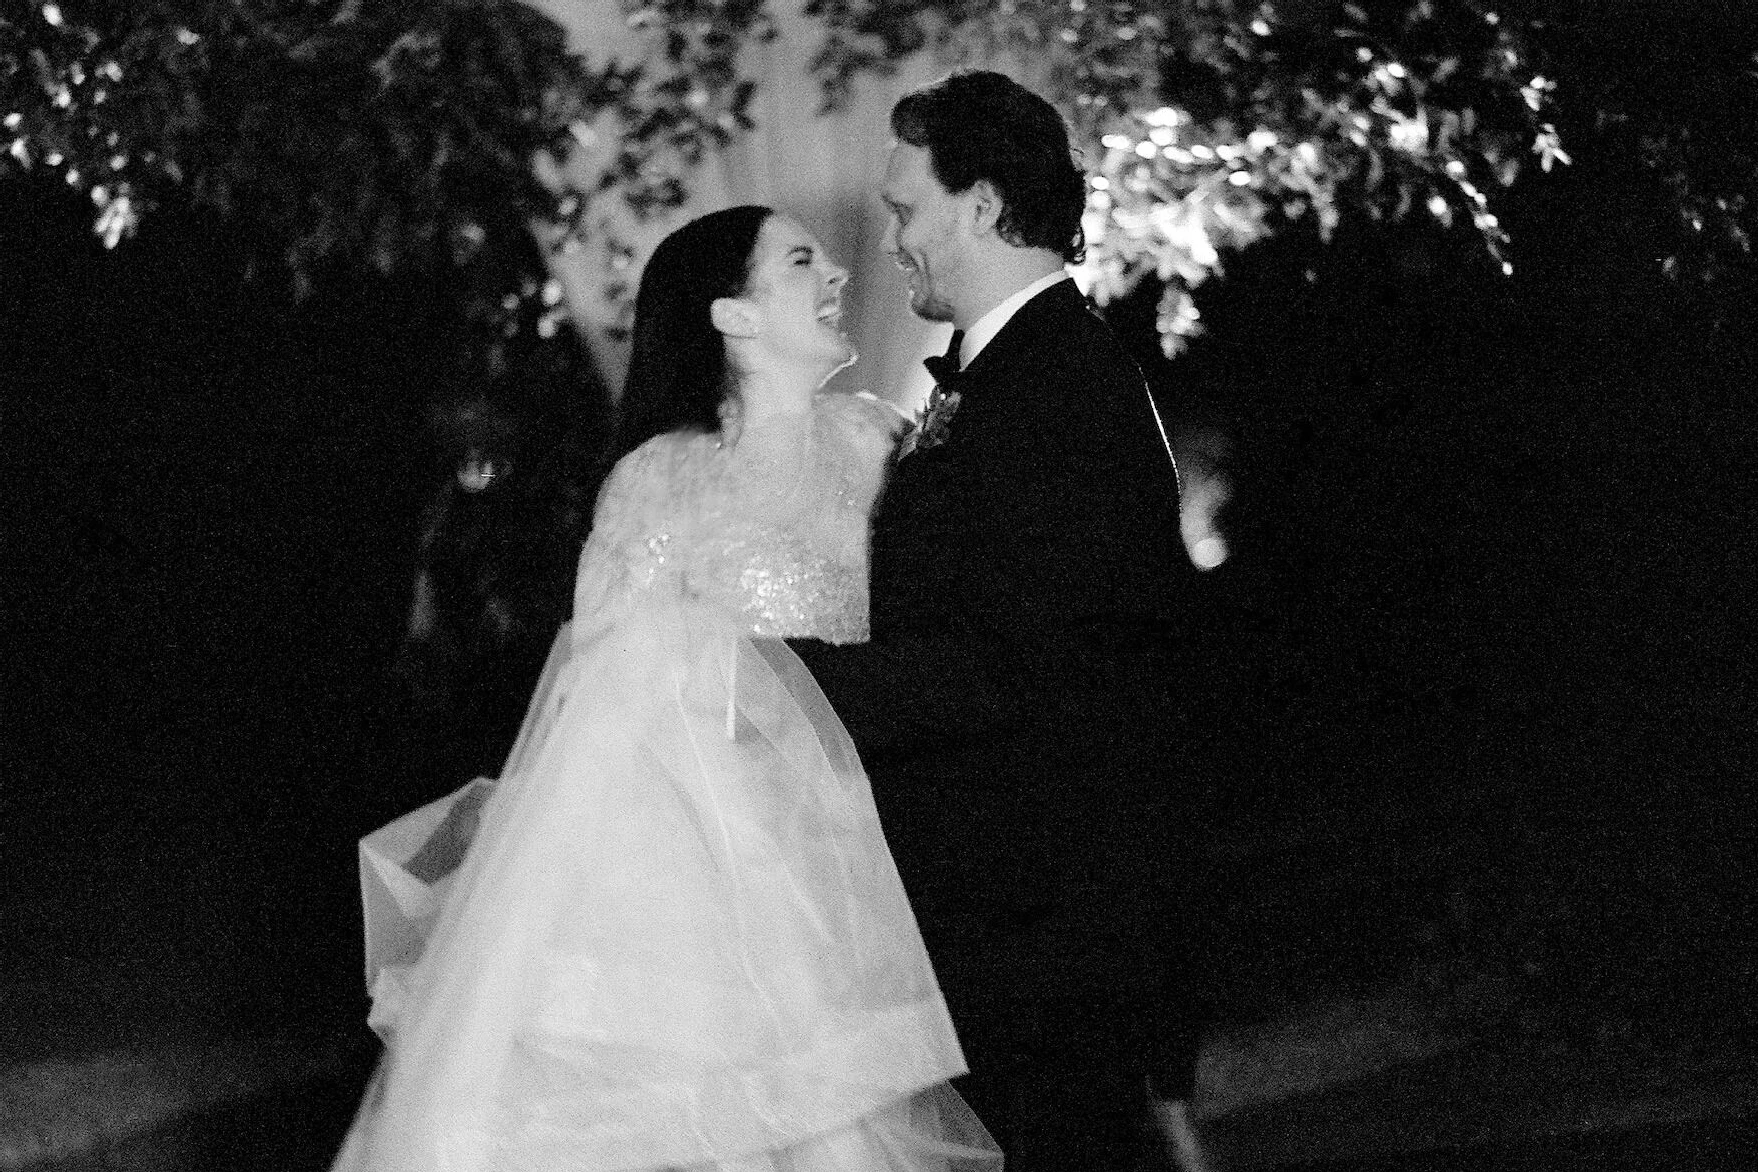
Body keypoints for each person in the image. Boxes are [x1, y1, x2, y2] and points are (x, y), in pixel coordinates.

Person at [329, 205, 1001, 1172]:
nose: (840, 275)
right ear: (731, 314)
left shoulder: (877, 441)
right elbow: (601, 687)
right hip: (700, 873)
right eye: (803, 260)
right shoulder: (658, 477)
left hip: (852, 849)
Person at [788, 71, 1200, 1170]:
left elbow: (1007, 665)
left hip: (1043, 928)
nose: (894, 240)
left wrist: (787, 681)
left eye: (906, 210)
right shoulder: (1011, 376)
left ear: (980, 205)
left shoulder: (1062, 387)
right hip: (1004, 915)